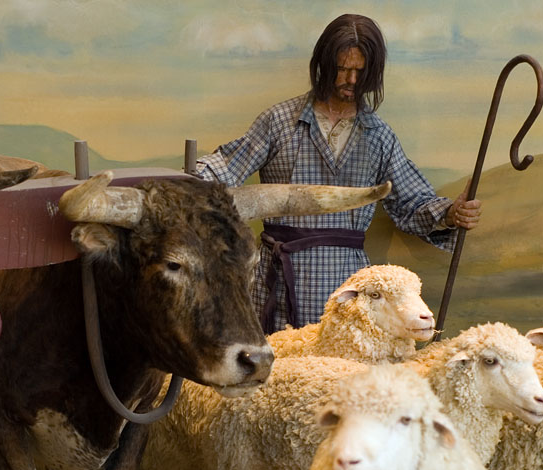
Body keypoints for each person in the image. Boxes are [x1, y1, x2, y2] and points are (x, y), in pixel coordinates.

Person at [195, 13, 482, 333]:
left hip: (348, 288)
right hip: (281, 281)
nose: (351, 80)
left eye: (360, 71)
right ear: (324, 66)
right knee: (281, 375)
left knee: (343, 374)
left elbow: (413, 203)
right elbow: (227, 166)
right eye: (342, 69)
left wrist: (451, 213)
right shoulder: (280, 122)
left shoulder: (378, 136)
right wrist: (184, 183)